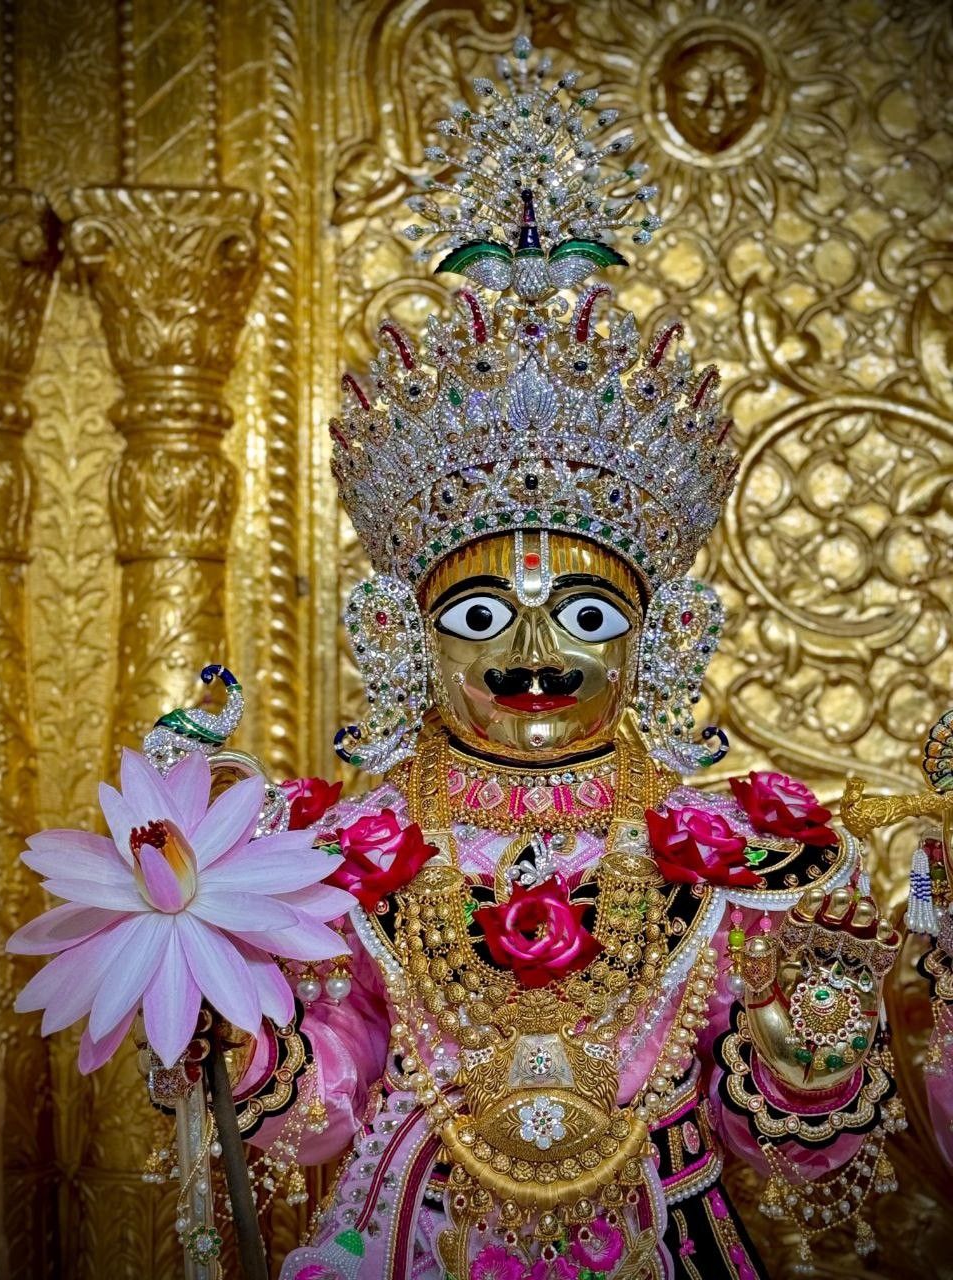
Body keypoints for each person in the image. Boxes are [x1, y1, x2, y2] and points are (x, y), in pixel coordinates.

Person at [214, 38, 907, 1280]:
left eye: (585, 618)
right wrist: (236, 1029)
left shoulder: (734, 856)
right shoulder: (345, 851)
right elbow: (325, 1109)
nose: (534, 653)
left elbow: (780, 1147)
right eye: (482, 616)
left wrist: (821, 1021)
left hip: (661, 1231)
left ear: (660, 636)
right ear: (403, 634)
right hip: (413, 1235)